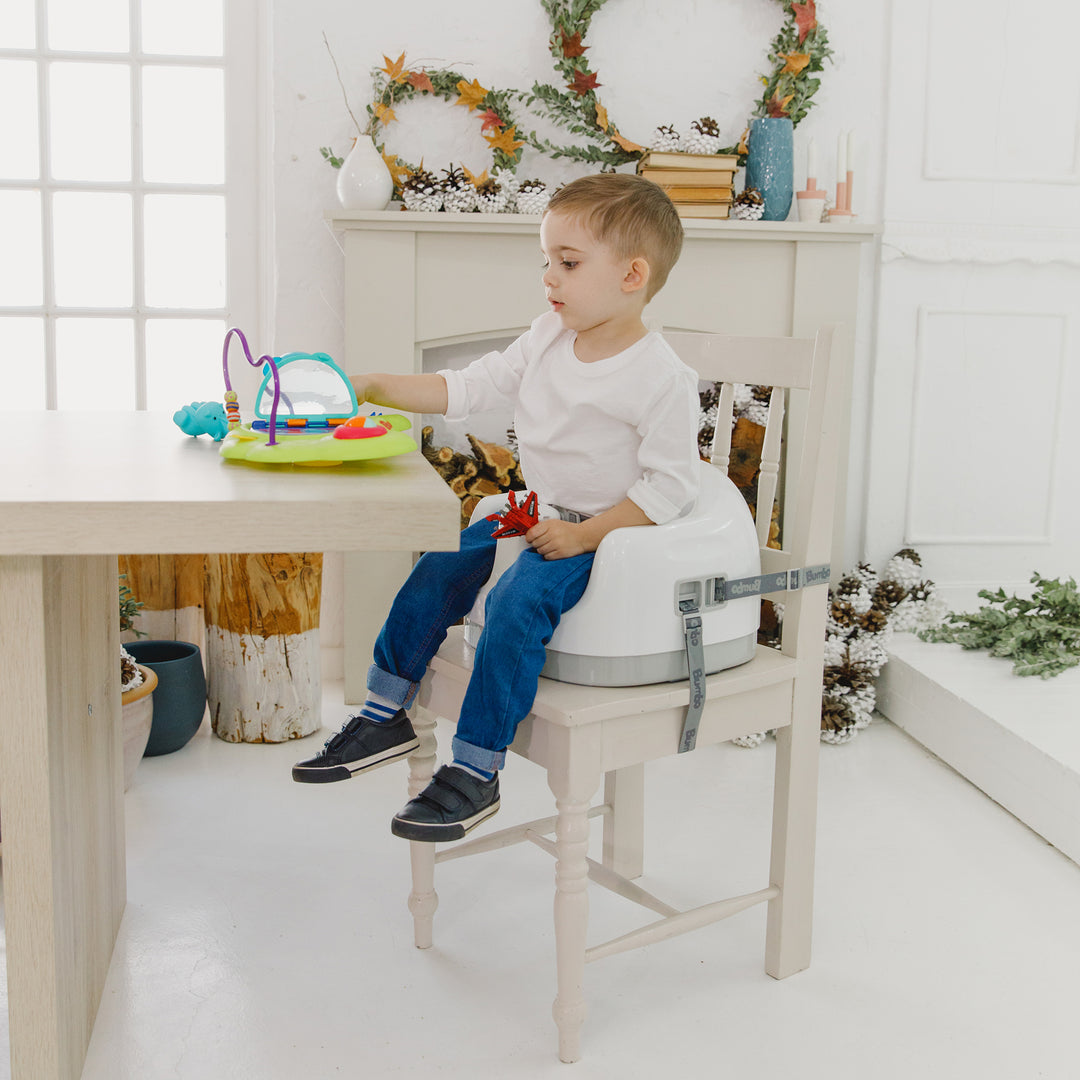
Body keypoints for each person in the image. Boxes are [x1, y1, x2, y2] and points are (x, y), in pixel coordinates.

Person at [292, 172, 702, 842]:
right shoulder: (546, 337)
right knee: (437, 567)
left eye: (568, 263)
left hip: (602, 533)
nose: (550, 277)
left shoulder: (661, 378)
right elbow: (466, 387)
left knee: (516, 603)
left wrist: (587, 535)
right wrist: (367, 383)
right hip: (531, 510)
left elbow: (669, 487)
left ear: (632, 275)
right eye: (547, 261)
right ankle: (384, 712)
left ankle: (477, 770)